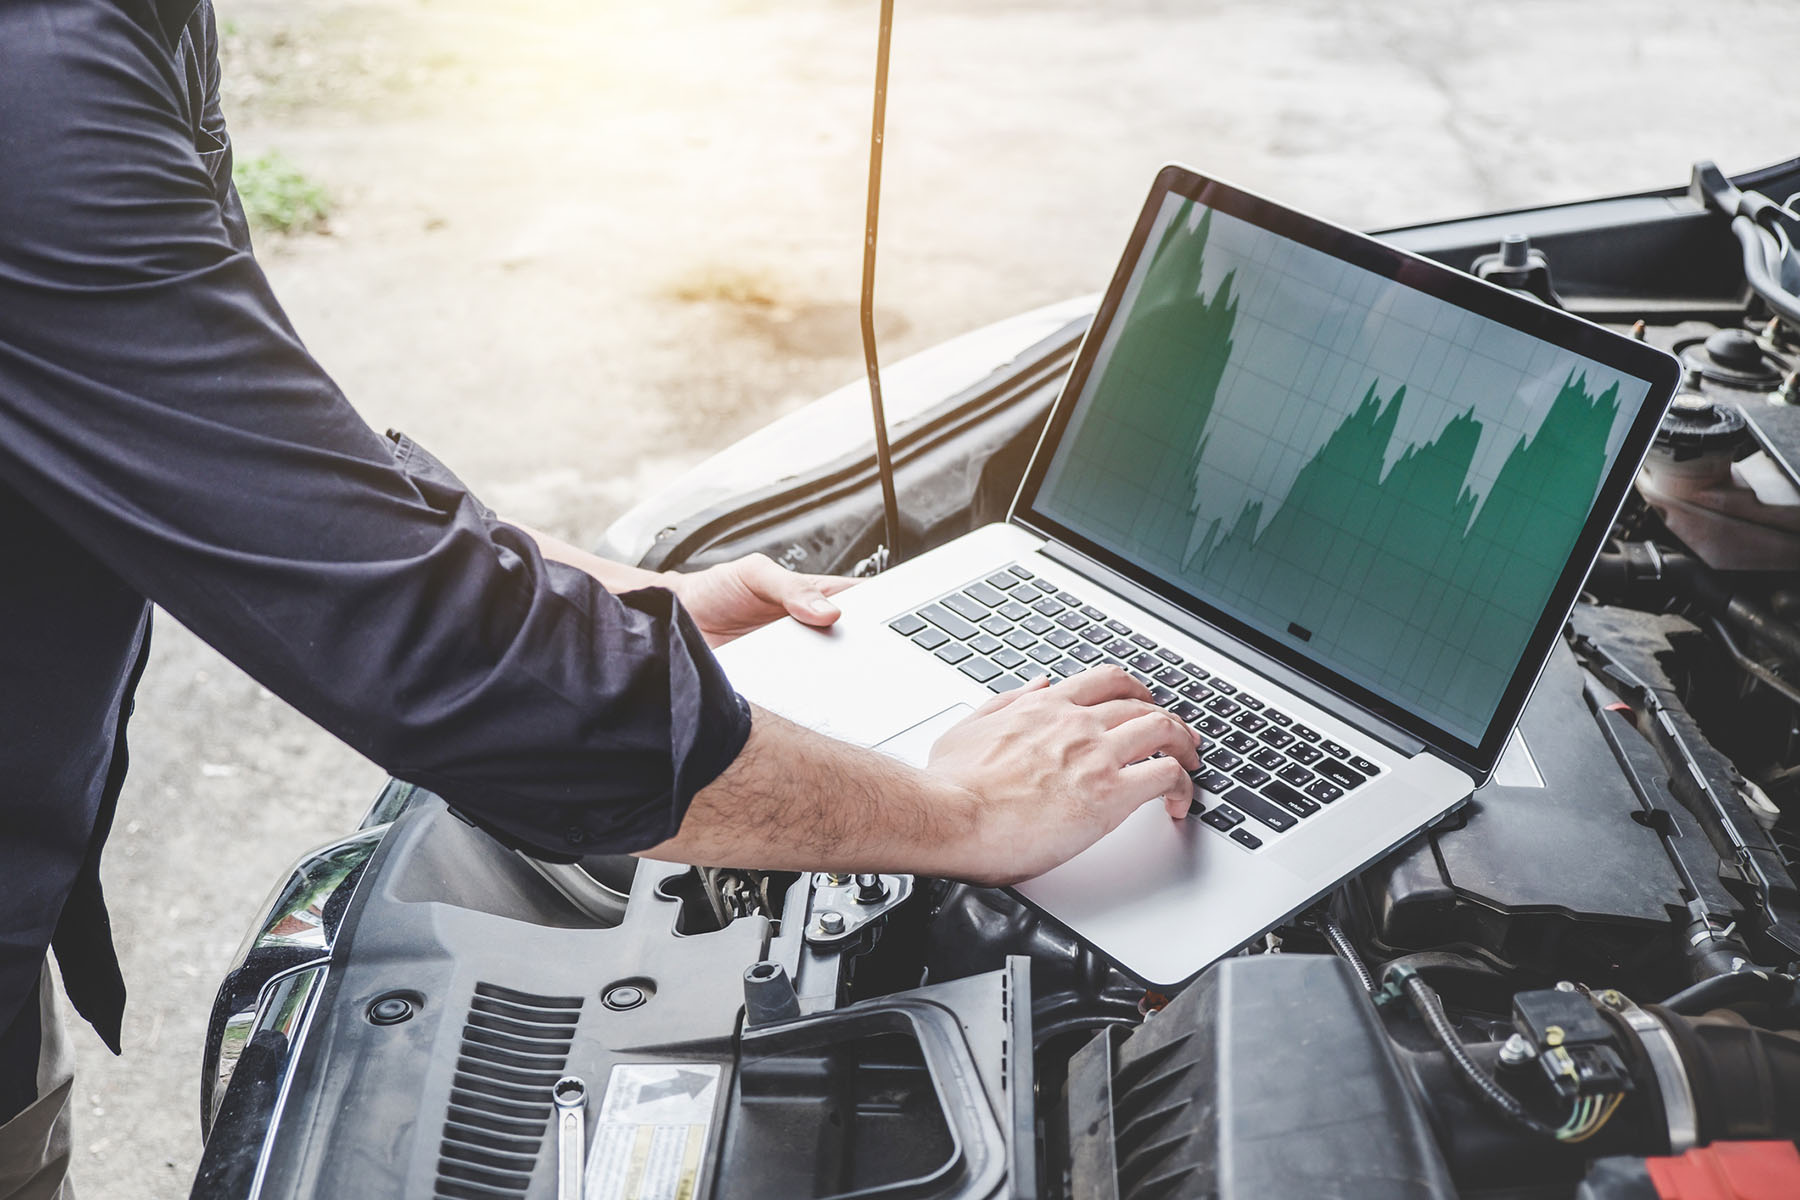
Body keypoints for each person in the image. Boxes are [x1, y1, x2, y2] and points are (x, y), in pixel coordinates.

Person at [0, 2, 1198, 1195]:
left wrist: (630, 593)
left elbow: (254, 456)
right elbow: (428, 651)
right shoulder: (37, 89)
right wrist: (962, 815)